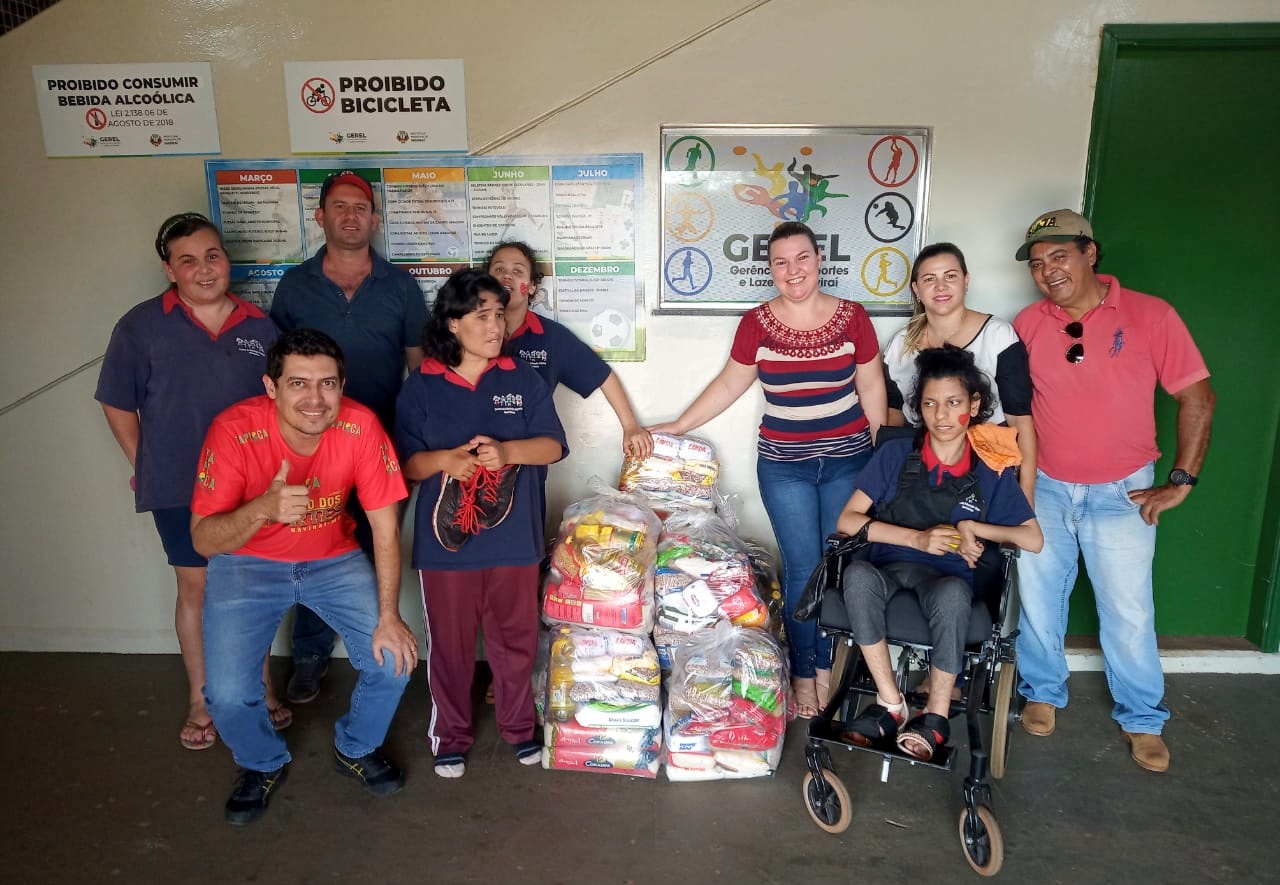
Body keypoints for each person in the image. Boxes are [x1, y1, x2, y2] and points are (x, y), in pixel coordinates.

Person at [650, 221, 887, 719]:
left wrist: (879, 453)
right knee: (803, 568)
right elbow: (730, 383)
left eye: (800, 258)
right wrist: (680, 423)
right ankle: (805, 671)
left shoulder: (853, 318)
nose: (792, 270)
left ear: (819, 259)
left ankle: (829, 665)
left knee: (838, 564)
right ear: (771, 270)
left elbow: (870, 387)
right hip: (785, 466)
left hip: (848, 461)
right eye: (780, 262)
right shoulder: (757, 323)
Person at [1012, 209, 1215, 773]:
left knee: (1127, 609)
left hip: (1124, 490)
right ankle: (1043, 692)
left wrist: (1181, 480)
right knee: (1039, 599)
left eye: (1059, 255)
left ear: (1090, 253)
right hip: (1046, 486)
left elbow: (1198, 397)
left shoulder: (1151, 315)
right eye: (1036, 263)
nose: (1048, 270)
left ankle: (1142, 717)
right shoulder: (1029, 323)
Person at [191, 329, 417, 824]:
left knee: (393, 658)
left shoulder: (360, 425)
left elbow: (384, 529)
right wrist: (263, 509)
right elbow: (204, 540)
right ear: (271, 387)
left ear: (342, 384)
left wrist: (388, 616)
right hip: (246, 563)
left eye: (327, 384)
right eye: (297, 384)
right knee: (227, 694)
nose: (315, 399)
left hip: (332, 559)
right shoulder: (234, 430)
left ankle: (356, 748)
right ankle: (260, 762)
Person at [96, 212, 288, 752]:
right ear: (169, 270)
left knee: (252, 586)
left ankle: (259, 689)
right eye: (188, 260)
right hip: (178, 486)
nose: (204, 269)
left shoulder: (259, 326)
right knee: (196, 588)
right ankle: (201, 699)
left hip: (251, 487)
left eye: (212, 256)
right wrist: (147, 462)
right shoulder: (141, 326)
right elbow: (116, 402)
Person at [395, 269, 567, 779]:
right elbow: (405, 463)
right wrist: (445, 461)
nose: (495, 327)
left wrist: (508, 450)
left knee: (514, 643)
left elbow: (553, 446)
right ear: (452, 324)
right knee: (448, 645)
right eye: (482, 317)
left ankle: (518, 729)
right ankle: (450, 735)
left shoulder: (521, 377)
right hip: (446, 548)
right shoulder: (423, 386)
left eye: (499, 316)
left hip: (515, 542)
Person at [834, 345, 1041, 760]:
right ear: (918, 408)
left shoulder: (989, 470)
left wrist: (971, 526)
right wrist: (916, 539)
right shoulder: (895, 454)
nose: (942, 415)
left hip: (947, 581)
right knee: (855, 577)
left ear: (974, 404)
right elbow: (848, 520)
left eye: (953, 403)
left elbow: (1032, 538)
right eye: (930, 404)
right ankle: (892, 703)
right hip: (889, 566)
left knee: (950, 594)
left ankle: (937, 715)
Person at [269, 170, 427, 705]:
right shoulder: (295, 285)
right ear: (321, 216)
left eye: (361, 207)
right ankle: (310, 654)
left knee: (373, 545)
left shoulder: (400, 287)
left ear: (374, 219)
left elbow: (419, 371)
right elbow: (279, 373)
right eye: (340, 206)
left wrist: (418, 441)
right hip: (312, 448)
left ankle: (375, 654)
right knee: (313, 543)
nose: (351, 215)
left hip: (381, 446)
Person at [883, 242, 1037, 505]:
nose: (940, 287)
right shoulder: (900, 344)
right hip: (923, 472)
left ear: (966, 281)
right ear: (916, 289)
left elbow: (1020, 420)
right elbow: (894, 417)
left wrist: (1025, 495)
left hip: (989, 465)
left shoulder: (997, 335)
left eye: (950, 276)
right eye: (929, 279)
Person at [486, 241, 652, 459]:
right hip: (472, 453)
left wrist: (631, 427)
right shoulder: (468, 332)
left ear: (533, 286)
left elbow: (602, 375)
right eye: (499, 269)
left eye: (517, 271)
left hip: (526, 461)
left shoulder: (551, 337)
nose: (507, 276)